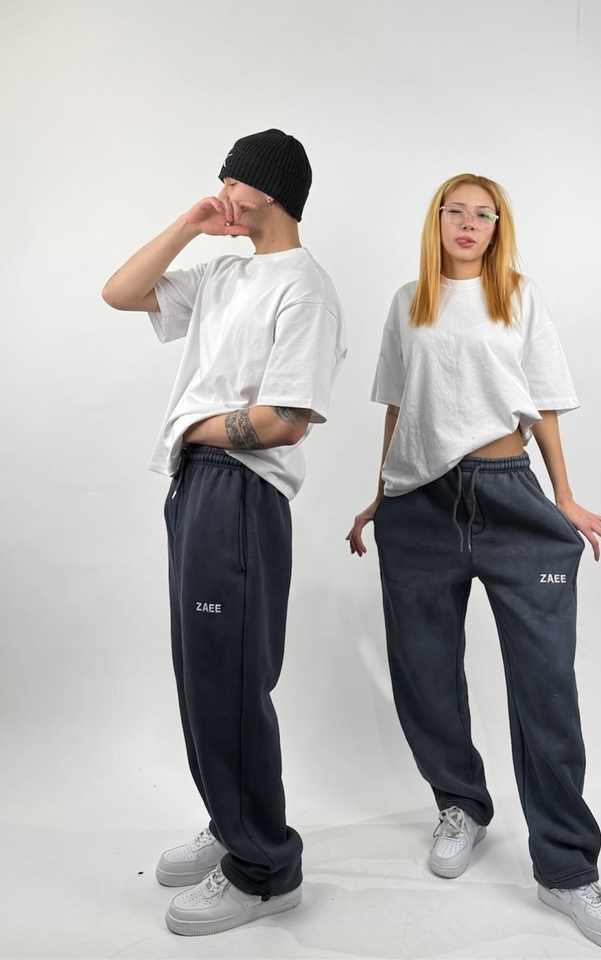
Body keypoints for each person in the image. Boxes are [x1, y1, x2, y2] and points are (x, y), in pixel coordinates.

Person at [347, 173, 601, 951]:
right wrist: (380, 494)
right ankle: (461, 805)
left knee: (546, 689)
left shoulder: (518, 297)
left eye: (484, 215)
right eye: (456, 211)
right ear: (436, 219)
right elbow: (398, 408)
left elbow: (544, 403)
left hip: (510, 496)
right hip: (418, 504)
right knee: (424, 673)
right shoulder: (408, 302)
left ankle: (567, 870)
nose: (469, 224)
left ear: (498, 227)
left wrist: (563, 497)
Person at [102, 128, 347, 937]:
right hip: (196, 486)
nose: (222, 192)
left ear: (267, 190)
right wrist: (188, 225)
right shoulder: (223, 274)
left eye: (232, 181)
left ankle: (264, 869)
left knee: (231, 680)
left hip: (239, 490)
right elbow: (120, 292)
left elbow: (284, 420)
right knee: (200, 673)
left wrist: (191, 428)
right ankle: (229, 818)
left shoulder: (304, 288)